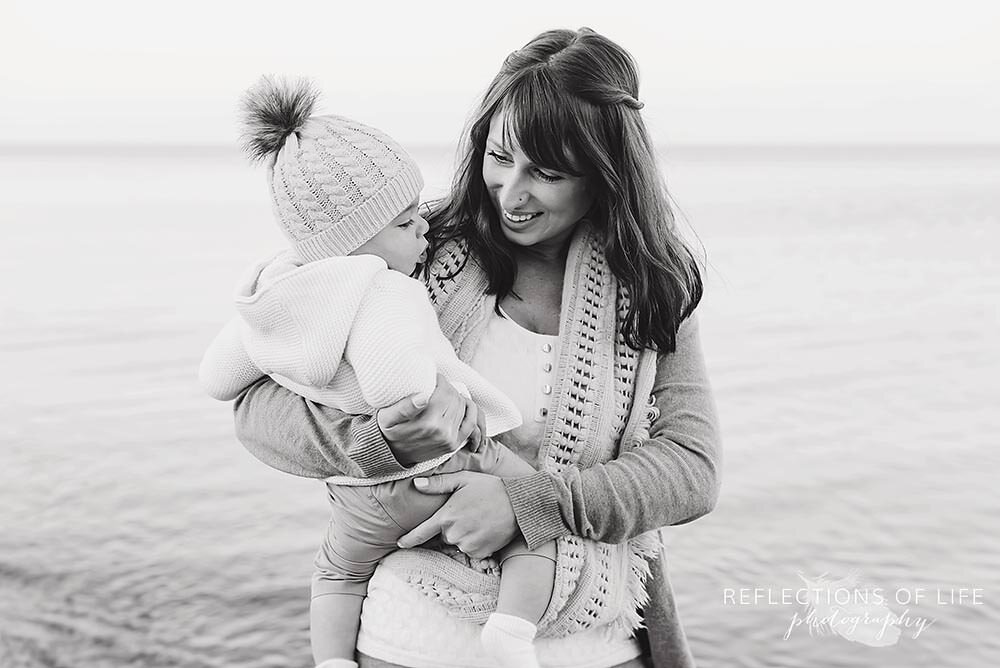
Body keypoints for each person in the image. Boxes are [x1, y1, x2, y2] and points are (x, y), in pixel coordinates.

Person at [230, 28, 722, 668]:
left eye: (546, 174)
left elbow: (693, 469)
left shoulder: (649, 283)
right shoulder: (409, 251)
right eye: (500, 157)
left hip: (598, 643)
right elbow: (256, 411)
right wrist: (379, 443)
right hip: (409, 643)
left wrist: (532, 503)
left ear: (605, 175)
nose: (512, 193)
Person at [198, 77, 560, 668]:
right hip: (445, 462)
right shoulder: (388, 288)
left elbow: (217, 380)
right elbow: (400, 387)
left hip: (359, 500)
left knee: (336, 574)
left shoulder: (275, 294)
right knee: (536, 517)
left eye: (547, 171)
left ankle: (333, 661)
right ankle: (512, 636)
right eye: (402, 222)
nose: (423, 228)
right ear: (353, 242)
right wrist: (413, 414)